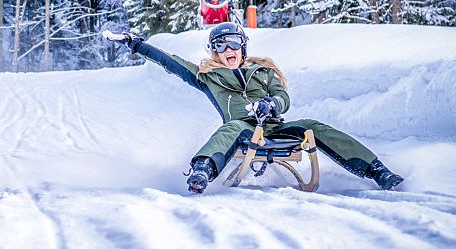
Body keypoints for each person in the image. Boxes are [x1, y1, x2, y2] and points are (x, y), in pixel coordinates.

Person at [106, 22, 404, 194]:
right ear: (214, 52)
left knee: (313, 124)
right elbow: (171, 62)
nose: (227, 51)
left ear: (243, 47)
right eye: (219, 46)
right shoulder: (207, 76)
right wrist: (136, 44)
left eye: (233, 43)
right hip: (243, 131)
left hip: (274, 126)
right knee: (232, 126)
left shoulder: (263, 71)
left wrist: (272, 103)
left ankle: (378, 171)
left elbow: (282, 97)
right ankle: (202, 171)